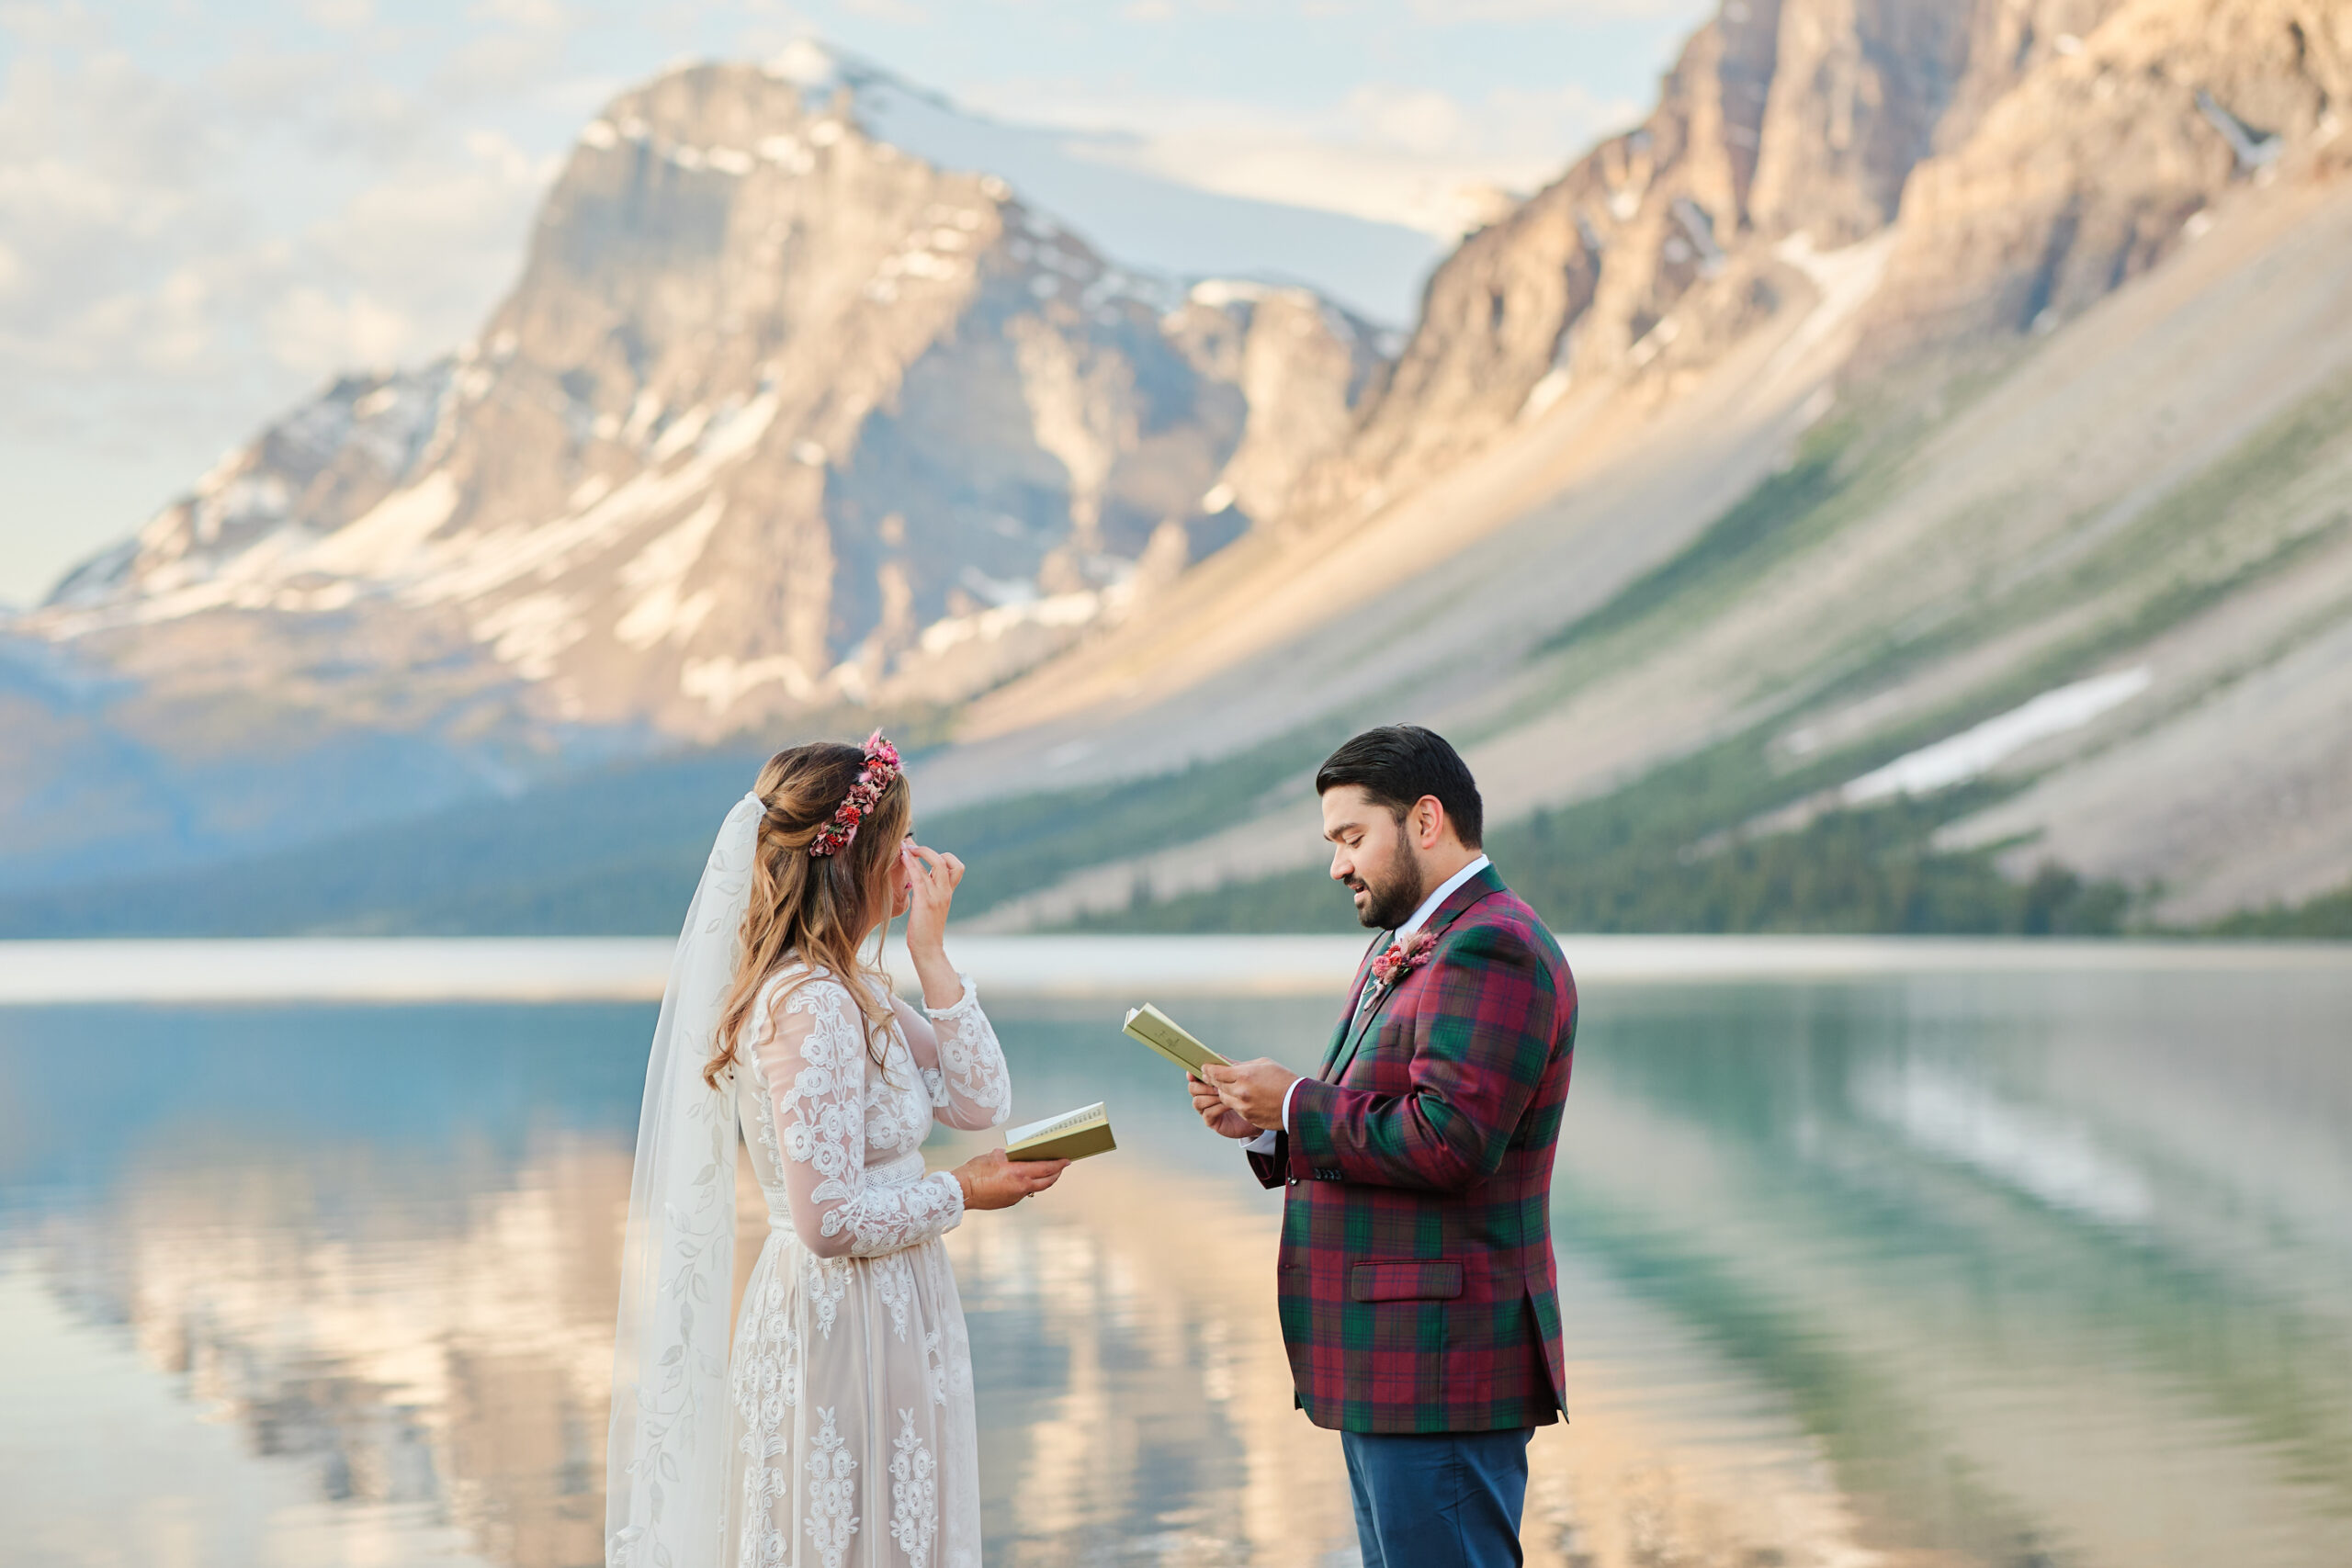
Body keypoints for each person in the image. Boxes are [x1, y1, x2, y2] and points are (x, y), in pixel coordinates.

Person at [605, 731, 1069, 1568]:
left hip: (894, 1301)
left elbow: (979, 1099)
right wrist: (962, 1190)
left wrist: (930, 953)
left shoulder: (856, 985)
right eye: (901, 842)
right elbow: (824, 1218)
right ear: (853, 857)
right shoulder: (808, 1001)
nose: (915, 862)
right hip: (838, 1314)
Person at [1192, 725, 1577, 1568]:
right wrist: (1267, 1125)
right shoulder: (1407, 943)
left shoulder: (1493, 944)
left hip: (1441, 1364)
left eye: (1351, 836)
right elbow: (1382, 1119)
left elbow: (1451, 1141)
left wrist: (1296, 1098)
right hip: (1394, 1362)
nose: (1338, 864)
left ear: (1427, 820)